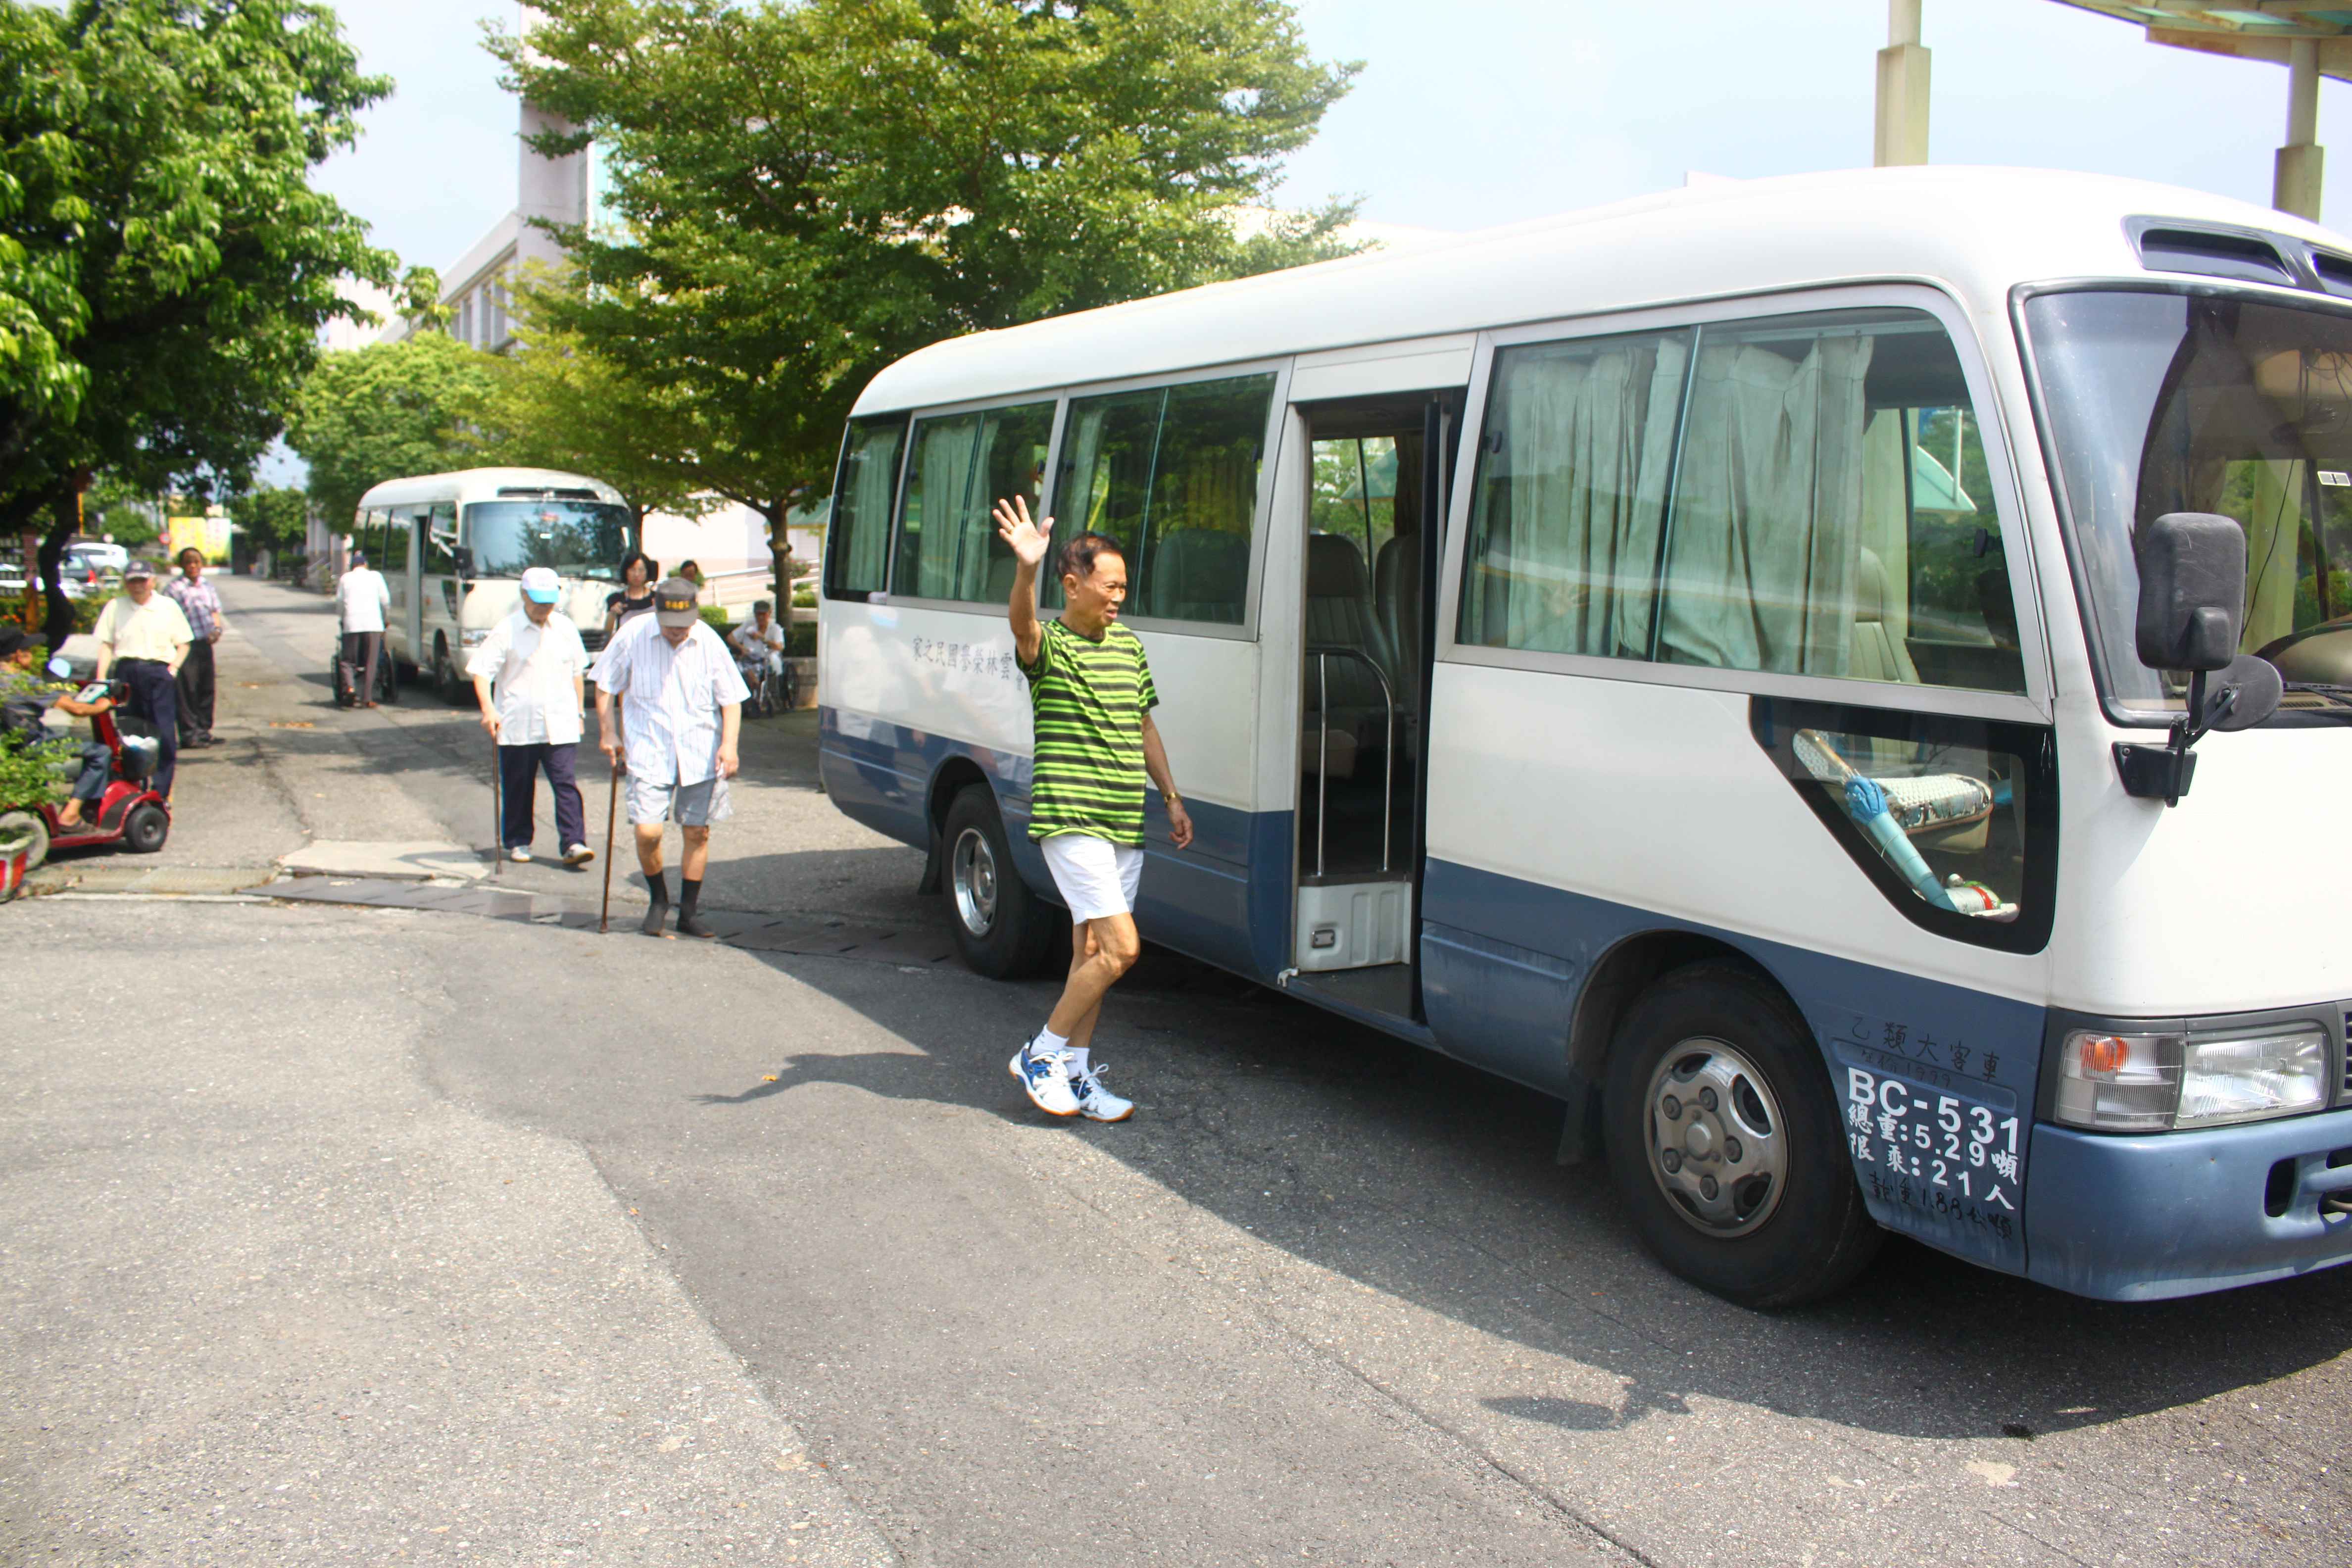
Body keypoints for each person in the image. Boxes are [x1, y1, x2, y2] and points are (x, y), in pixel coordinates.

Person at [992, 496, 1192, 1124]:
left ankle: (1076, 1075)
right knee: (1123, 949)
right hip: (1071, 816)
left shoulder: (1127, 646)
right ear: (1072, 585)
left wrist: (1171, 796)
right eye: (1110, 587)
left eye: (1124, 588)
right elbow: (1021, 626)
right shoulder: (1047, 646)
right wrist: (1026, 569)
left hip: (1122, 821)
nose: (1118, 598)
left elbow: (1143, 725)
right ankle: (1042, 1052)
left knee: (1093, 958)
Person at [592, 576, 745, 938]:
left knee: (697, 832)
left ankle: (688, 913)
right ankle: (658, 898)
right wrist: (608, 731)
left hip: (700, 751)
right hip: (648, 748)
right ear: (656, 613)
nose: (678, 632)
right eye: (670, 626)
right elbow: (603, 684)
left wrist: (730, 745)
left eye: (685, 625)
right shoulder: (632, 636)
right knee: (648, 832)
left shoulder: (708, 640)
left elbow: (732, 699)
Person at [469, 565, 594, 867]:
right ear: (523, 595)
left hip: (560, 721)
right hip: (517, 723)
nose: (544, 607)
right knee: (519, 785)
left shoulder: (565, 629)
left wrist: (579, 711)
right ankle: (518, 840)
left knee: (566, 783)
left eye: (549, 600)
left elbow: (576, 672)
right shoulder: (506, 630)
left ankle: (574, 842)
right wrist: (489, 710)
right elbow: (481, 672)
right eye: (538, 600)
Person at [91, 559, 192, 802]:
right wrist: (101, 679)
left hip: (159, 673)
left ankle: (160, 791)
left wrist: (174, 669)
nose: (137, 586)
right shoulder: (116, 607)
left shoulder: (167, 606)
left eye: (142, 581)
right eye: (132, 581)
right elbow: (106, 645)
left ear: (152, 581)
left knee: (164, 734)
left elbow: (184, 643)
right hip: (127, 672)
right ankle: (133, 789)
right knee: (130, 733)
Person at [0, 627, 114, 830]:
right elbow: (76, 710)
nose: (32, 654)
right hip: (32, 747)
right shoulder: (24, 683)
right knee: (101, 753)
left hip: (9, 748)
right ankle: (70, 815)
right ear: (18, 654)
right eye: (29, 649)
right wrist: (102, 706)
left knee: (56, 735)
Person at [160, 546, 226, 749]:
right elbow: (167, 617)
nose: (193, 567)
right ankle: (189, 734)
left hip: (205, 643)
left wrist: (217, 630)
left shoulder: (207, 586)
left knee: (207, 688)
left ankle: (204, 731)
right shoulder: (174, 588)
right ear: (182, 565)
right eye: (189, 563)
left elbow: (215, 611)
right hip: (185, 645)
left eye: (196, 562)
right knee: (188, 690)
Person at [336, 547, 391, 707]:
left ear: (352, 566)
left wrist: (342, 618)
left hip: (352, 624)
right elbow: (385, 601)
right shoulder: (376, 577)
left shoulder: (345, 579)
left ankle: (351, 687)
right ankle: (367, 698)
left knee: (347, 661)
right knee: (371, 662)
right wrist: (386, 619)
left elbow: (340, 603)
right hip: (373, 624)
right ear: (366, 564)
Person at [603, 551, 658, 639]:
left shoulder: (657, 598)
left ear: (647, 572)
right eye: (633, 569)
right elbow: (607, 632)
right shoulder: (615, 599)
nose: (637, 574)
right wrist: (613, 613)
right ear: (626, 572)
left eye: (641, 570)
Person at [729, 598, 784, 682]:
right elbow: (730, 637)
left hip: (766, 661)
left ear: (769, 614)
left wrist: (762, 638)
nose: (761, 617)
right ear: (755, 615)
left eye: (764, 614)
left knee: (757, 671)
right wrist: (741, 648)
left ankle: (758, 689)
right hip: (748, 659)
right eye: (758, 614)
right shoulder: (749, 625)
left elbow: (779, 647)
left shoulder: (775, 628)